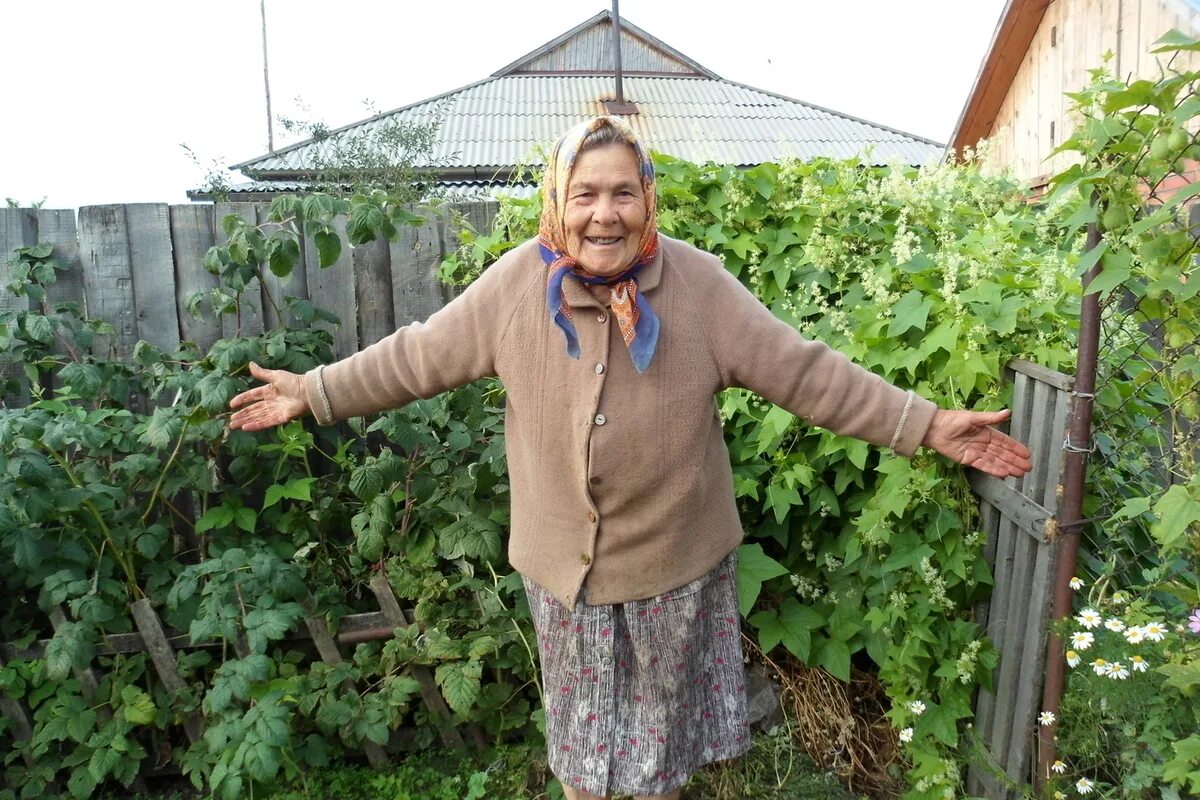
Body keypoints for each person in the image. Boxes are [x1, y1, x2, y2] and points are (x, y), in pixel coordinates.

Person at [229, 116, 1032, 800]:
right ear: (558, 201)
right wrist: (318, 391)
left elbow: (804, 372)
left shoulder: (699, 286)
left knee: (658, 768)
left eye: (622, 193)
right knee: (584, 770)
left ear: (648, 197)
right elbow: (416, 356)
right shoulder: (517, 287)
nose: (603, 215)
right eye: (585, 194)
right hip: (564, 580)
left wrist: (925, 423)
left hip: (673, 575)